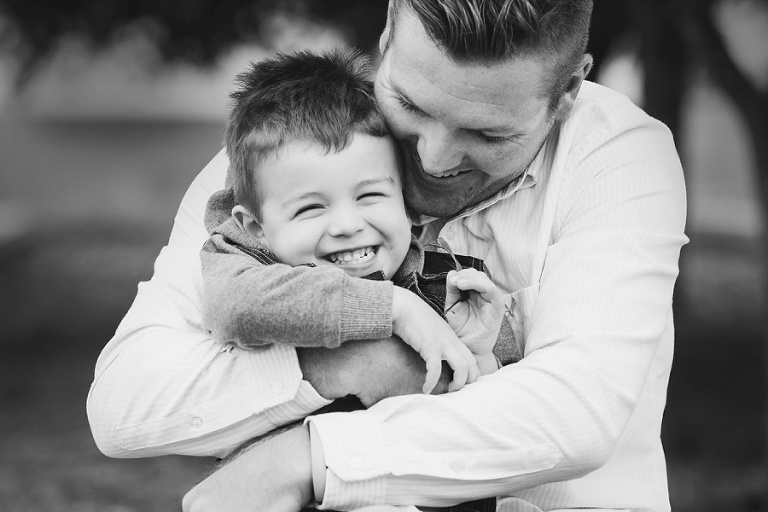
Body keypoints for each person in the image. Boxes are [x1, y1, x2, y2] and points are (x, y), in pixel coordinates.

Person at [87, 1, 688, 511]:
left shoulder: (621, 158)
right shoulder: (287, 157)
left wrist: (307, 456)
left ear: (569, 90)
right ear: (386, 40)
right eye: (413, 106)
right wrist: (342, 364)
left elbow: (575, 411)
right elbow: (123, 406)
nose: (432, 157)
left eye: (489, 134)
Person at [201, 48, 508, 397]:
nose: (347, 225)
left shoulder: (444, 281)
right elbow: (232, 307)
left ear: (405, 203)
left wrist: (481, 356)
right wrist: (392, 307)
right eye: (310, 208)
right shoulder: (246, 265)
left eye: (369, 197)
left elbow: (502, 414)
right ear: (256, 228)